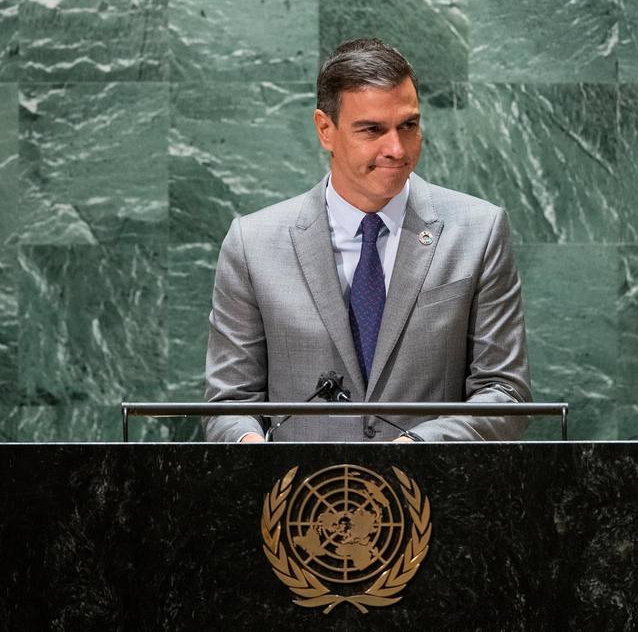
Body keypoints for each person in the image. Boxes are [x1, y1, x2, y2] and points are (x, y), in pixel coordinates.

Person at [203, 38, 530, 442]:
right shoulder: (252, 244)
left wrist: (419, 447)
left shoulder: (479, 231)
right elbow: (228, 402)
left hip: (434, 494)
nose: (396, 148)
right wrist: (251, 450)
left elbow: (505, 393)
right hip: (301, 499)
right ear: (326, 129)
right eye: (372, 130)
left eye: (408, 125)